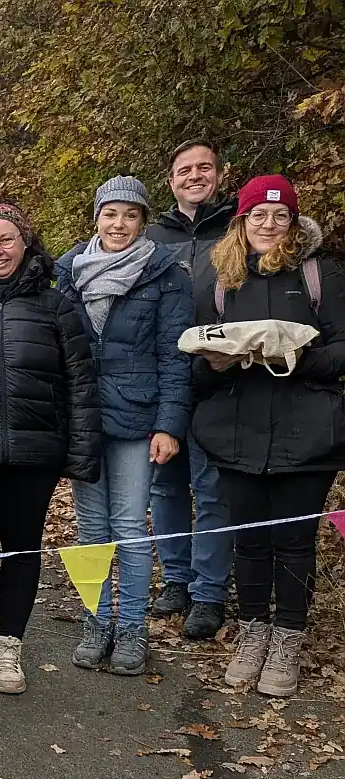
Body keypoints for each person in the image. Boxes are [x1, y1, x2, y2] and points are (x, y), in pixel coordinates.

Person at [192, 175, 345, 697]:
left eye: (281, 216)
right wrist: (219, 362)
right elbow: (196, 365)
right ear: (242, 221)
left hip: (309, 434)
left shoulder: (320, 276)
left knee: (294, 540)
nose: (269, 225)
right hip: (236, 433)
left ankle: (287, 638)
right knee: (250, 539)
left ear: (295, 223)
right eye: (258, 215)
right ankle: (253, 630)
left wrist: (295, 356)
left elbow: (341, 351)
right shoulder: (217, 281)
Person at [0, 204, 100, 694]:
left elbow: (81, 382)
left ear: (26, 244)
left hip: (36, 451)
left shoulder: (56, 306)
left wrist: (80, 453)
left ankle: (9, 643)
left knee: (22, 549)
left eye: (7, 240)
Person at [56, 176, 191, 678]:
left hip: (139, 417)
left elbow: (175, 356)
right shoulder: (68, 272)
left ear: (142, 220)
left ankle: (132, 626)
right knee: (92, 528)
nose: (119, 224)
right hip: (84, 416)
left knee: (131, 528)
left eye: (130, 215)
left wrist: (169, 424)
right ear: (96, 217)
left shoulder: (165, 273)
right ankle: (98, 621)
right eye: (110, 214)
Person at [144, 140, 238, 636]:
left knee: (212, 490)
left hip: (220, 381)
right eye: (185, 170)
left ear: (219, 175)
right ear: (171, 178)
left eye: (204, 168)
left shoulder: (239, 229)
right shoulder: (154, 235)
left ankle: (208, 592)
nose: (194, 176)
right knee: (165, 486)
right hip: (164, 381)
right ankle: (176, 580)